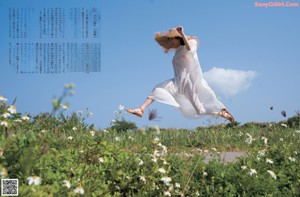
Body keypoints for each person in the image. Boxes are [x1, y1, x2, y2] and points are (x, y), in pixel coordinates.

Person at [126, 26, 234, 124]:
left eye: (172, 38)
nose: (170, 41)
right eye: (169, 39)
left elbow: (190, 50)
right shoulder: (177, 52)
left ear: (178, 38)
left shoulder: (191, 42)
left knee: (200, 111)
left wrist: (182, 33)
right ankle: (141, 109)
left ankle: (221, 112)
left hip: (188, 82)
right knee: (157, 89)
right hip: (177, 82)